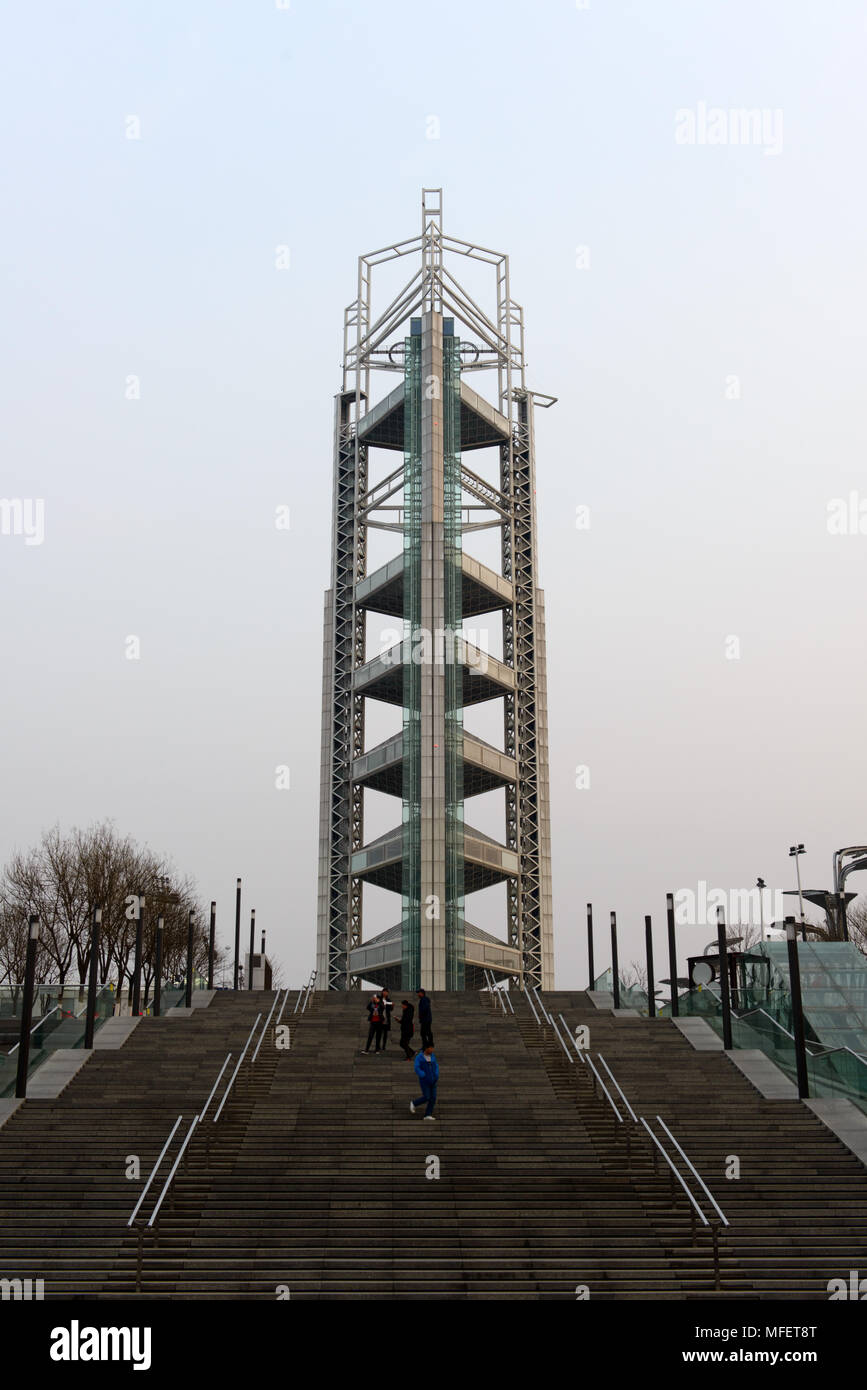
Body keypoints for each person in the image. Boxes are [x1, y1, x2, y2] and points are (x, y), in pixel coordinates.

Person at [410, 1044, 439, 1120]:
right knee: (426, 1096)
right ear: (426, 1048)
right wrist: (423, 1075)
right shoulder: (419, 1057)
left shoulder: (432, 1056)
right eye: (431, 1048)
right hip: (424, 1080)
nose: (432, 1050)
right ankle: (414, 1103)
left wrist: (436, 1075)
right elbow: (416, 1067)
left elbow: (436, 1066)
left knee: (433, 1098)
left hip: (433, 1080)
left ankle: (428, 1114)